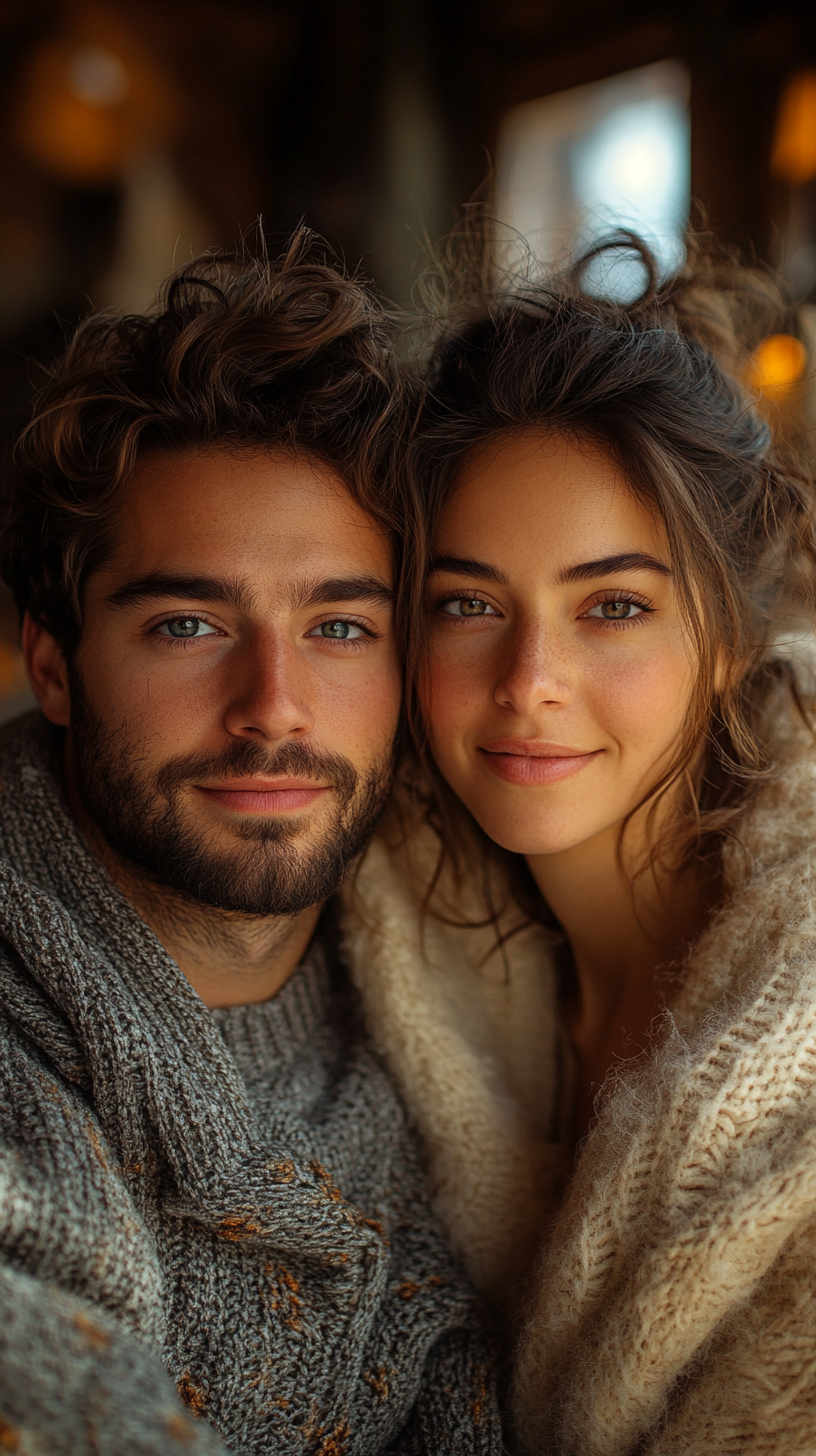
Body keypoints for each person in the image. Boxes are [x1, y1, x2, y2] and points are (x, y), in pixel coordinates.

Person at [0, 233, 501, 1456]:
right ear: (53, 664)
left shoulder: (477, 1016)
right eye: (186, 622)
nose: (273, 704)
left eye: (338, 625)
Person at [340, 233, 816, 1453]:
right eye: (468, 604)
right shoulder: (370, 930)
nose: (529, 680)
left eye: (613, 606)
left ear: (724, 640)